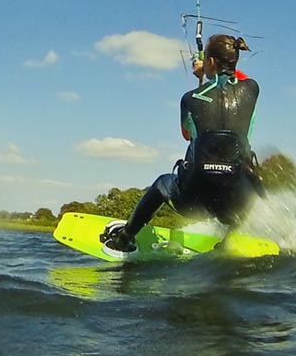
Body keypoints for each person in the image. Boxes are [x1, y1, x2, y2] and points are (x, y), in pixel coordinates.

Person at [101, 33, 263, 255]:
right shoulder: (252, 89)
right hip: (233, 203)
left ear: (211, 61)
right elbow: (238, 80)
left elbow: (187, 134)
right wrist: (210, 73)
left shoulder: (189, 98)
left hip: (195, 200)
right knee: (254, 182)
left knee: (162, 183)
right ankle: (228, 240)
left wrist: (203, 78)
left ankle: (125, 237)